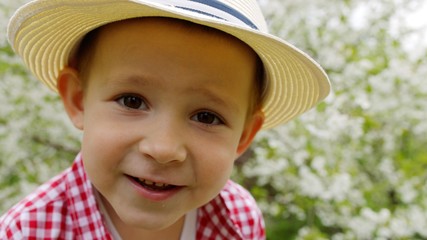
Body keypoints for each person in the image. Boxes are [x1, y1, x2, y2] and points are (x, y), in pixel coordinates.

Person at [0, 0, 330, 239]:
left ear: (244, 136)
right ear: (78, 100)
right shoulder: (28, 231)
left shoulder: (238, 219)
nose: (163, 148)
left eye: (206, 116)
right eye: (132, 101)